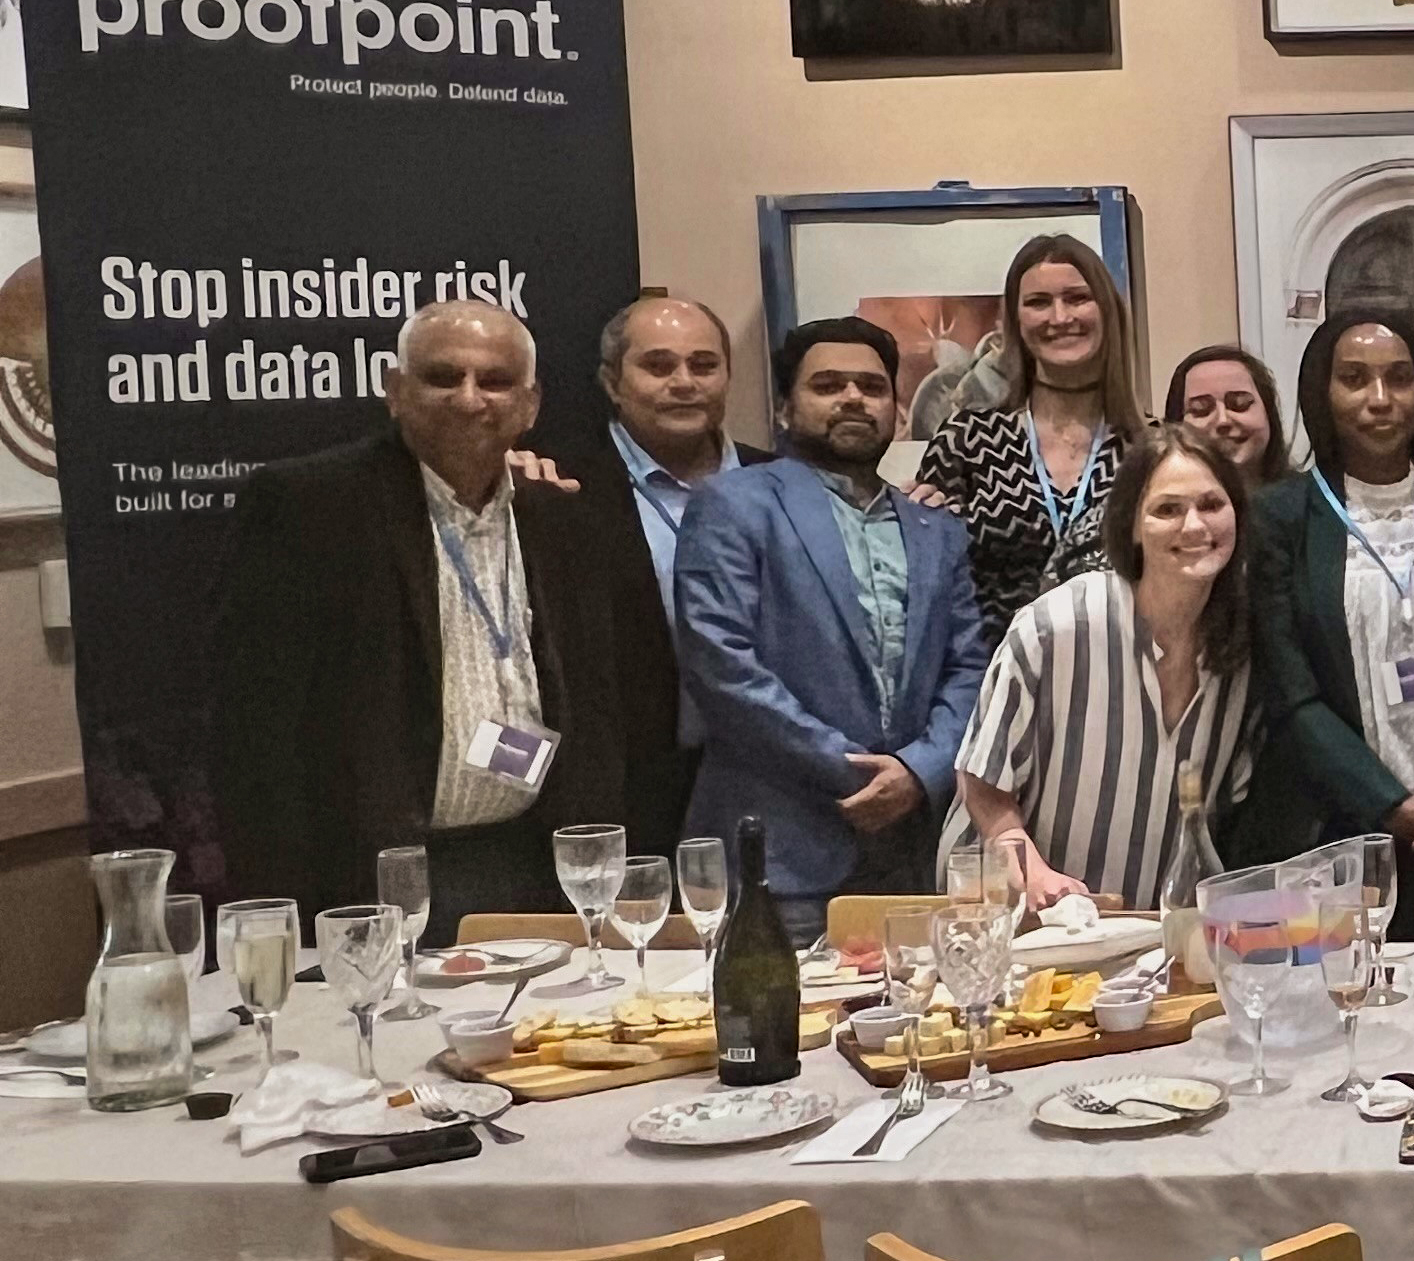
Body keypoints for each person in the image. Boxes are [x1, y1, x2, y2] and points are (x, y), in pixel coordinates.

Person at [211, 302, 682, 932]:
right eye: (442, 378)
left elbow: (603, 705)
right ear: (395, 392)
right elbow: (253, 726)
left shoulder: (565, 520)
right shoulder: (310, 508)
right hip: (376, 874)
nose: (469, 400)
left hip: (541, 865)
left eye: (494, 381)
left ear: (530, 403)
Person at [677, 318, 990, 936]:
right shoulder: (734, 505)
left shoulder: (939, 532)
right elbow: (724, 667)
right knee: (769, 1032)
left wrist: (918, 771)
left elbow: (971, 669)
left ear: (898, 412)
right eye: (828, 385)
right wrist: (856, 772)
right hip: (781, 858)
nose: (853, 398)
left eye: (872, 387)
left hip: (910, 856)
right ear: (786, 408)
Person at [1221, 312, 1414, 898]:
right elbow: (1292, 692)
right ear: (1322, 391)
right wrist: (1387, 803)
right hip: (1348, 835)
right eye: (1355, 379)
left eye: (1399, 378)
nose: (1380, 399)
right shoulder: (1281, 516)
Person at [951, 427, 1261, 907]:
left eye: (1212, 505)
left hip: (1144, 929)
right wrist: (1030, 871)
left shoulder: (1242, 651)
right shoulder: (1056, 625)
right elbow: (982, 779)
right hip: (1014, 918)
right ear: (1132, 527)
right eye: (1168, 510)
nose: (1196, 526)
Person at [916, 235, 1145, 639]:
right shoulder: (966, 442)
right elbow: (932, 591)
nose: (1059, 317)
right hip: (993, 682)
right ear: (1015, 321)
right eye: (1038, 302)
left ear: (1107, 310)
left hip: (1123, 679)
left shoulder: (1151, 449)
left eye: (1076, 298)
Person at [576, 294, 768, 612]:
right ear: (611, 383)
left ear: (728, 376)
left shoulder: (782, 482)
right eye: (659, 367)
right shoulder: (564, 489)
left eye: (704, 366)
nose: (684, 383)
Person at [1162, 343, 1291, 489]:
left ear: (1269, 414)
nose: (1222, 420)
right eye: (1201, 410)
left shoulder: (1308, 501)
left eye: (1240, 404)